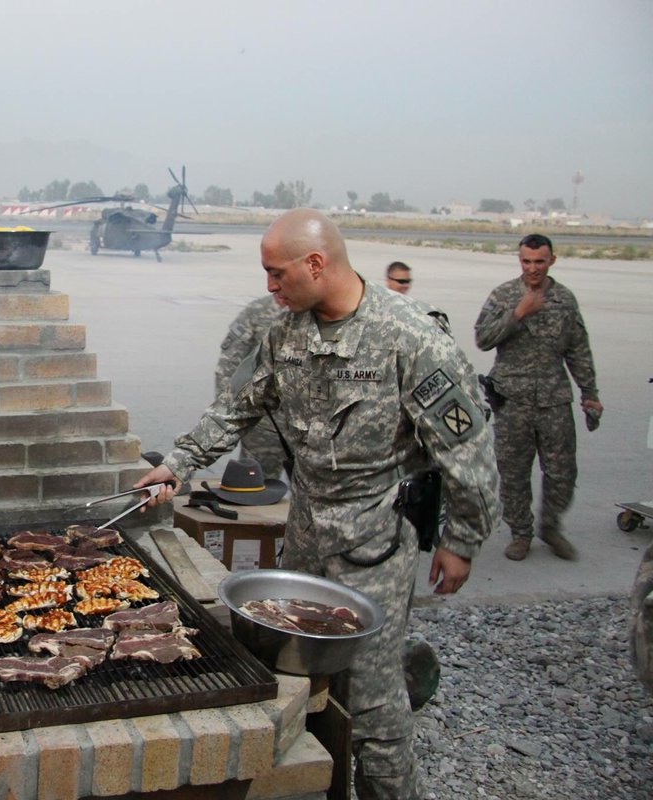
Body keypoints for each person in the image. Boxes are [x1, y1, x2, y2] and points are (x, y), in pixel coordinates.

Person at [135, 209, 499, 799]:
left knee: (375, 708)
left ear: (316, 263)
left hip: (374, 542)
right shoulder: (285, 333)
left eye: (277, 274)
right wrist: (178, 463)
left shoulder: (411, 339)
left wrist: (462, 542)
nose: (270, 287)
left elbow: (470, 451)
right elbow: (237, 406)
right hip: (305, 533)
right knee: (298, 678)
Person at [474, 233, 602, 562]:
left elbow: (578, 349)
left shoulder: (565, 299)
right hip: (513, 400)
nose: (532, 268)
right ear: (520, 261)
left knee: (562, 472)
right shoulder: (503, 295)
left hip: (554, 400)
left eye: (539, 261)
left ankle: (551, 526)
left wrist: (589, 393)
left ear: (551, 261)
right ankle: (521, 532)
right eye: (526, 261)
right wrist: (518, 313)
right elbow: (483, 339)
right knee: (514, 472)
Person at [214, 294, 289, 478]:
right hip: (263, 428)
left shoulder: (327, 312)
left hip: (313, 434)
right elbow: (228, 368)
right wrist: (232, 420)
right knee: (257, 490)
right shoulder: (257, 312)